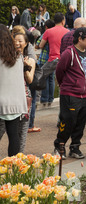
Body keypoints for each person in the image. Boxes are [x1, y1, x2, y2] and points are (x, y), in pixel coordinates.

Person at [54, 27, 86, 159]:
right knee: (68, 121)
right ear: (79, 39)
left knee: (81, 122)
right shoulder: (69, 53)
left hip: (84, 94)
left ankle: (75, 147)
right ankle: (59, 146)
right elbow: (59, 71)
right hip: (70, 94)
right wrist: (65, 85)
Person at [60, 17, 86, 125]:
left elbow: (62, 53)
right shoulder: (83, 37)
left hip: (68, 71)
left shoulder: (65, 36)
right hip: (82, 71)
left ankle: (62, 119)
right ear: (81, 27)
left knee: (66, 95)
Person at [0, 25, 29, 156]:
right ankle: (13, 168)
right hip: (16, 102)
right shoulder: (18, 56)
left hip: (1, 100)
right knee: (14, 136)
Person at [13, 32, 37, 152]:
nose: (17, 43)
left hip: (24, 98)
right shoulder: (9, 58)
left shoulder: (30, 60)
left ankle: (19, 158)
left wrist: (25, 67)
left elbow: (30, 80)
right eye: (15, 40)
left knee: (22, 133)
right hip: (11, 98)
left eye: (20, 41)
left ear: (26, 43)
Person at [35, 19, 56, 108]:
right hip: (53, 59)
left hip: (44, 59)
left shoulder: (46, 33)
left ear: (46, 27)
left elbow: (38, 45)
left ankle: (44, 100)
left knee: (44, 79)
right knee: (51, 79)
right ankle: (50, 99)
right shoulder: (55, 34)